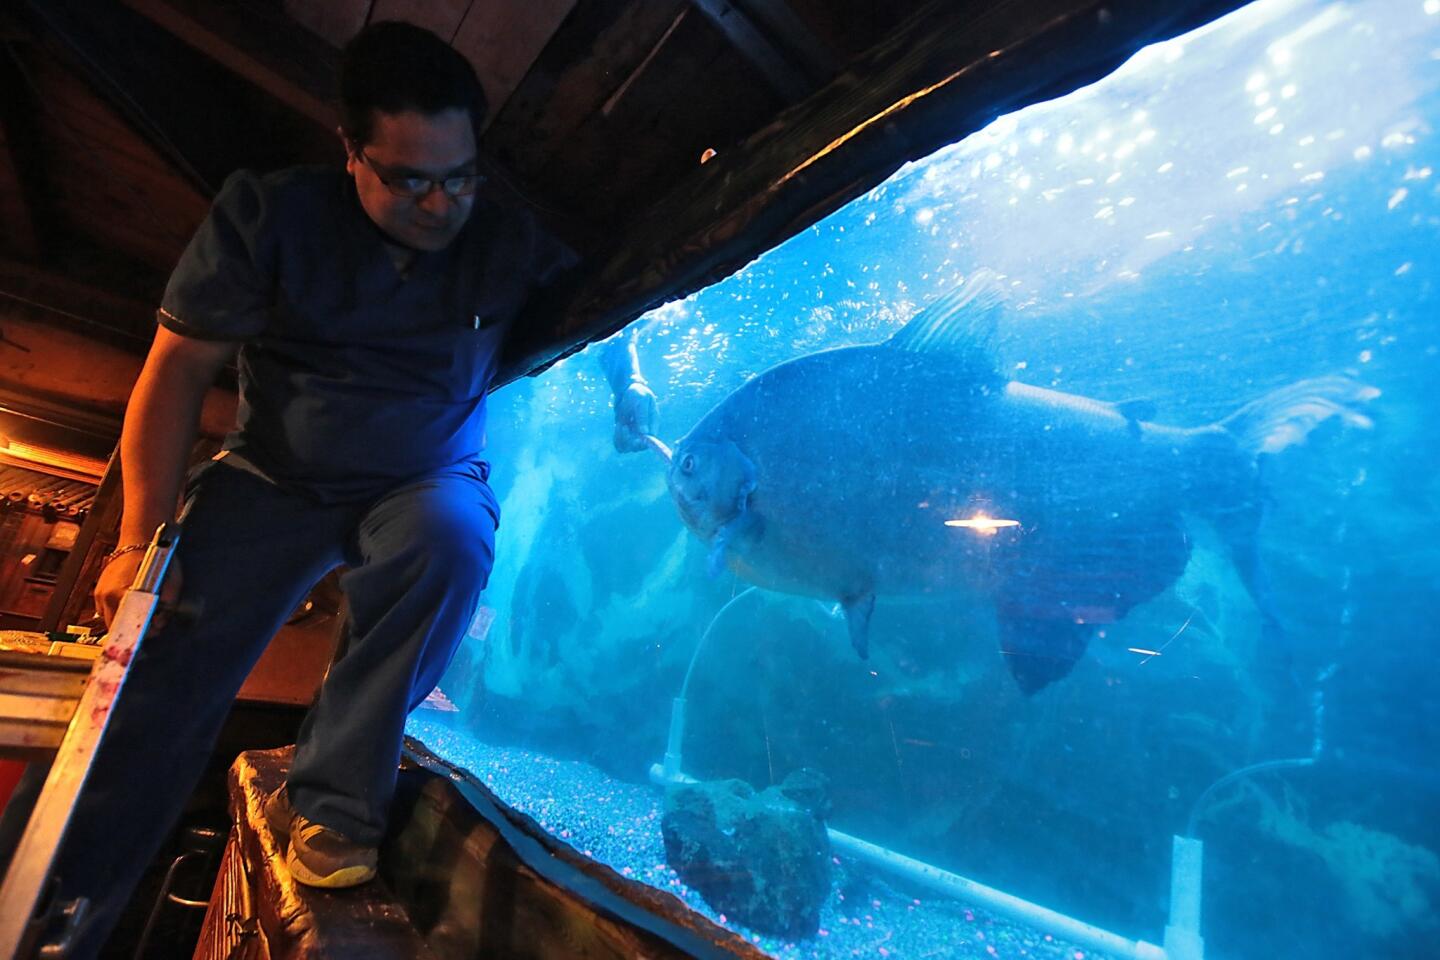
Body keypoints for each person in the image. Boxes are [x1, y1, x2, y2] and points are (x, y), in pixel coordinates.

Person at [50, 20, 650, 955]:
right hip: (274, 477)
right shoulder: (268, 216)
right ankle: (56, 904)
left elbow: (615, 305)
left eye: (460, 175)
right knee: (160, 660)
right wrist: (138, 543)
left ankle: (331, 803)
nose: (442, 202)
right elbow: (174, 373)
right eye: (411, 179)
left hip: (422, 475)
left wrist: (631, 384)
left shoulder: (506, 234)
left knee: (452, 537)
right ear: (350, 153)